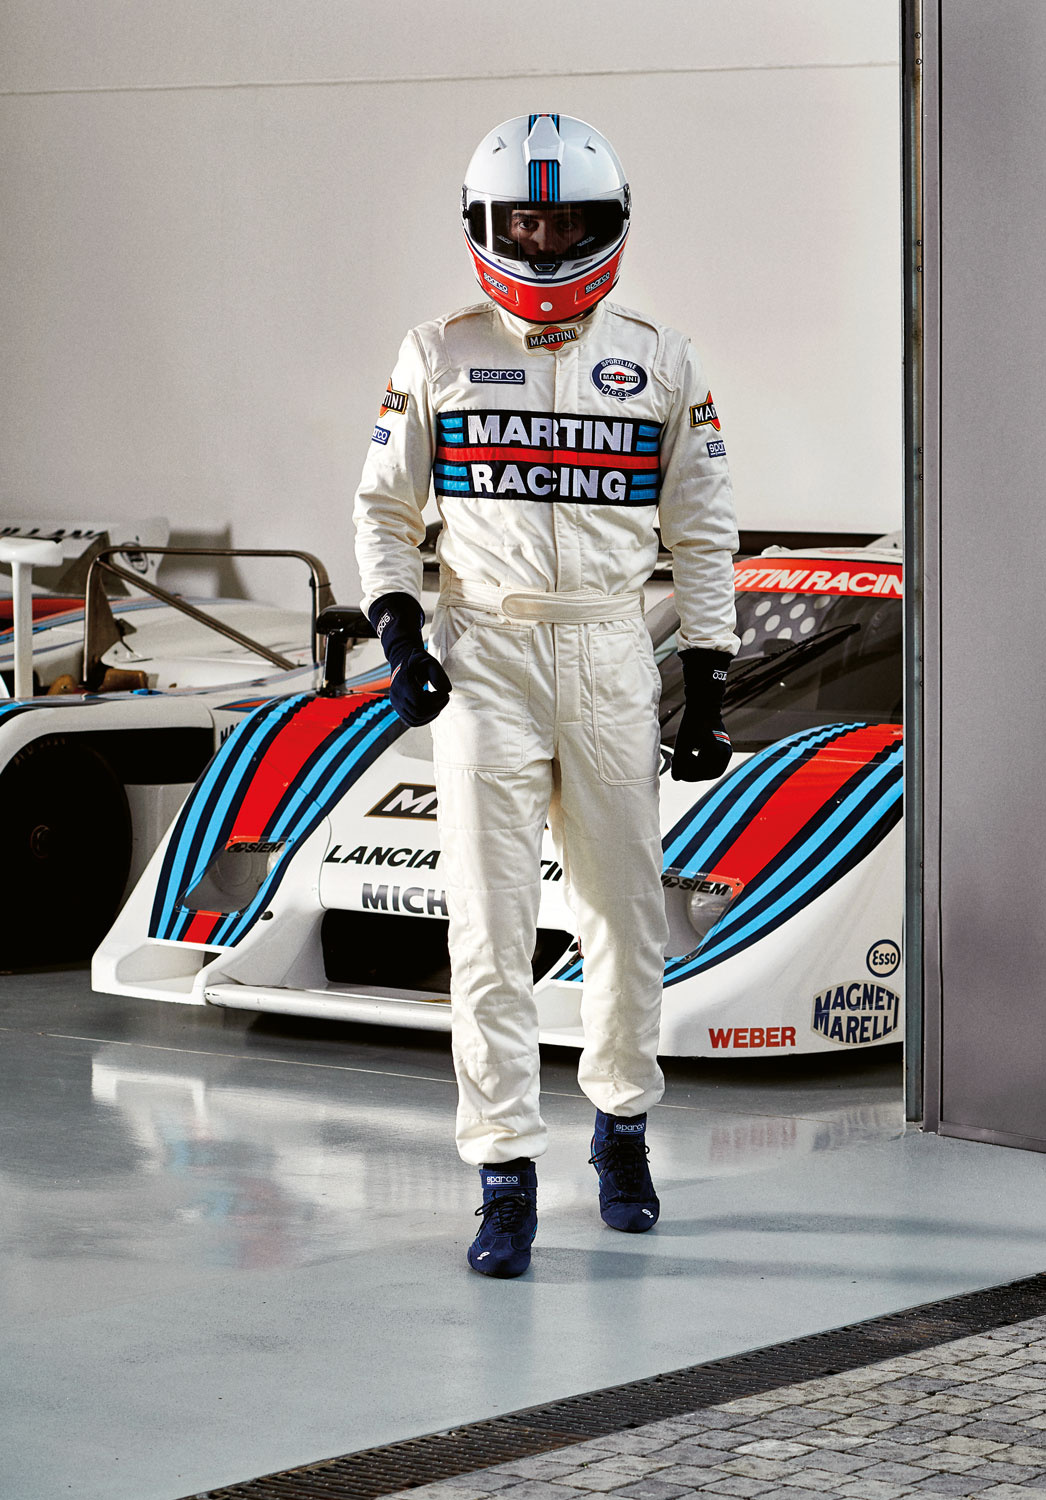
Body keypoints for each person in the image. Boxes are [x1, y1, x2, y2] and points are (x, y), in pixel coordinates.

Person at [353, 113, 739, 1278]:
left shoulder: (661, 360)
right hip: (485, 655)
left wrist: (707, 678)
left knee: (623, 916)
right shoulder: (436, 353)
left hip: (612, 649)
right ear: (486, 226)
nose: (542, 242)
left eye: (565, 222)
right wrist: (397, 631)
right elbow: (382, 510)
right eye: (522, 222)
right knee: (490, 926)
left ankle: (619, 1129)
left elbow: (703, 530)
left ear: (605, 226)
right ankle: (503, 1172)